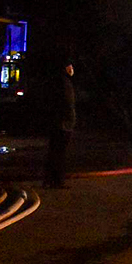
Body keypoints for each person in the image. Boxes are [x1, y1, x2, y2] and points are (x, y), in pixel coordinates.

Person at [45, 58, 77, 189]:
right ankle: (56, 180)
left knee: (55, 152)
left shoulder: (59, 82)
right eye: (69, 66)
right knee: (59, 153)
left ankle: (51, 180)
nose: (71, 69)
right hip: (63, 123)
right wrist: (69, 121)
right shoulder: (63, 83)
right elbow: (67, 104)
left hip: (60, 122)